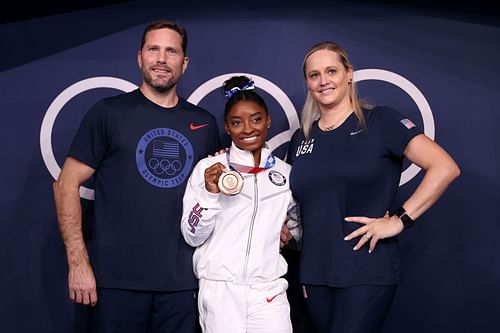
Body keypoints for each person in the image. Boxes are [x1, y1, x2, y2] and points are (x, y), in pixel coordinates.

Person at [52, 20, 221, 332]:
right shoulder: (108, 113)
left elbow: (219, 197)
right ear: (139, 57)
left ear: (183, 63)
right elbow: (66, 184)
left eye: (171, 51)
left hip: (183, 285)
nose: (161, 58)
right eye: (153, 49)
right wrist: (78, 262)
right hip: (116, 283)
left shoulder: (204, 124)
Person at [287, 41, 460, 333]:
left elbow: (444, 167)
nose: (323, 80)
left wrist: (399, 220)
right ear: (307, 82)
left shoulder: (380, 121)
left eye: (331, 71)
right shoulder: (301, 139)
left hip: (365, 270)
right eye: (314, 74)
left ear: (349, 73)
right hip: (315, 275)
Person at [180, 76, 301, 333]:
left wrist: (288, 234)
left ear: (268, 121)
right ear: (227, 127)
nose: (248, 129)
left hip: (268, 288)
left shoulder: (286, 175)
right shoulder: (208, 169)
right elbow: (192, 235)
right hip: (220, 289)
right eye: (237, 122)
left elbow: (300, 230)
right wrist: (210, 194)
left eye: (256, 119)